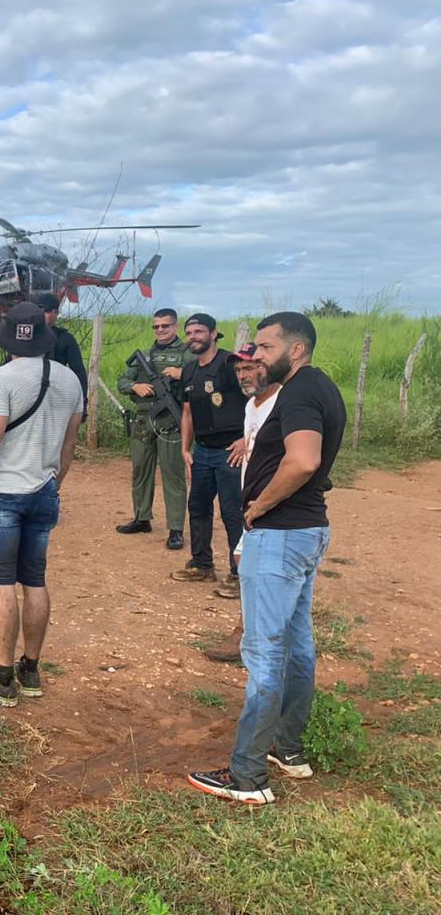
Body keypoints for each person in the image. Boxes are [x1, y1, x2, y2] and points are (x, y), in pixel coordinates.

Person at [189, 312, 346, 804]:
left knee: (264, 652)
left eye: (264, 347)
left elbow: (303, 460)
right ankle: (288, 749)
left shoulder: (299, 392)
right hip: (306, 530)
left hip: (280, 534)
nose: (255, 355)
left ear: (295, 350)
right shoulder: (321, 388)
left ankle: (249, 775)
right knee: (297, 643)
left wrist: (259, 504)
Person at [0, 303, 83, 706]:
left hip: (3, 493)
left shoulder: (1, 378)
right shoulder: (70, 380)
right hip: (44, 489)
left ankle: (2, 677)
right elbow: (70, 445)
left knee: (2, 582)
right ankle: (30, 669)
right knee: (35, 580)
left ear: (8, 338)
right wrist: (52, 482)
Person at [203, 343, 281, 663]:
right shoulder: (252, 406)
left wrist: (263, 503)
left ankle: (253, 638)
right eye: (238, 370)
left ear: (267, 367)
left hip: (270, 505)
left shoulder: (282, 404)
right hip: (253, 501)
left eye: (250, 367)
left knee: (261, 572)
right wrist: (244, 440)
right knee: (244, 563)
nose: (243, 375)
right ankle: (249, 632)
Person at [171, 314, 247, 592]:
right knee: (198, 508)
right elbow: (188, 412)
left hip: (231, 452)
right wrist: (184, 448)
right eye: (189, 332)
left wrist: (245, 439)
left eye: (199, 331)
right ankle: (202, 565)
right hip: (202, 452)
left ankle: (240, 575)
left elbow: (258, 401)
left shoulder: (230, 365)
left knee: (232, 513)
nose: (193, 336)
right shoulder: (190, 371)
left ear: (214, 334)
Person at [115, 307, 193, 549]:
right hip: (143, 419)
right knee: (141, 469)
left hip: (171, 421)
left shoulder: (187, 354)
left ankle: (176, 529)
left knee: (173, 473)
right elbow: (122, 381)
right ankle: (141, 517)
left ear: (175, 327)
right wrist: (135, 387)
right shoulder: (145, 355)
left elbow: (200, 378)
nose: (160, 330)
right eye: (156, 326)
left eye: (165, 326)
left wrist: (182, 374)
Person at [32, 292, 87, 412]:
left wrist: (82, 402)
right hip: (28, 396)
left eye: (45, 311)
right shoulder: (26, 336)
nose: (41, 315)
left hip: (55, 397)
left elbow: (78, 371)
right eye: (38, 311)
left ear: (56, 313)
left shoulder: (65, 339)